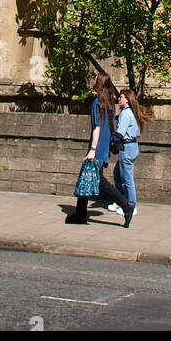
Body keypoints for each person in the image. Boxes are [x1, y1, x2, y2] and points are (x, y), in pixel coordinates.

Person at [66, 73, 134, 227]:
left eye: (95, 78)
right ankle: (81, 214)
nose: (93, 80)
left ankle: (126, 205)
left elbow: (97, 128)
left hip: (97, 148)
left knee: (97, 181)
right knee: (90, 178)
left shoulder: (97, 103)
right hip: (103, 148)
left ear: (99, 83)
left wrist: (92, 150)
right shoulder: (109, 103)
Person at [108, 87, 149, 219]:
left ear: (127, 99)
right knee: (118, 174)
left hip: (127, 147)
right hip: (130, 146)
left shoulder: (126, 113)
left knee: (126, 178)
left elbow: (120, 133)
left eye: (121, 97)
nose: (119, 99)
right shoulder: (129, 112)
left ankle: (131, 205)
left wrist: (113, 141)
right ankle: (120, 201)